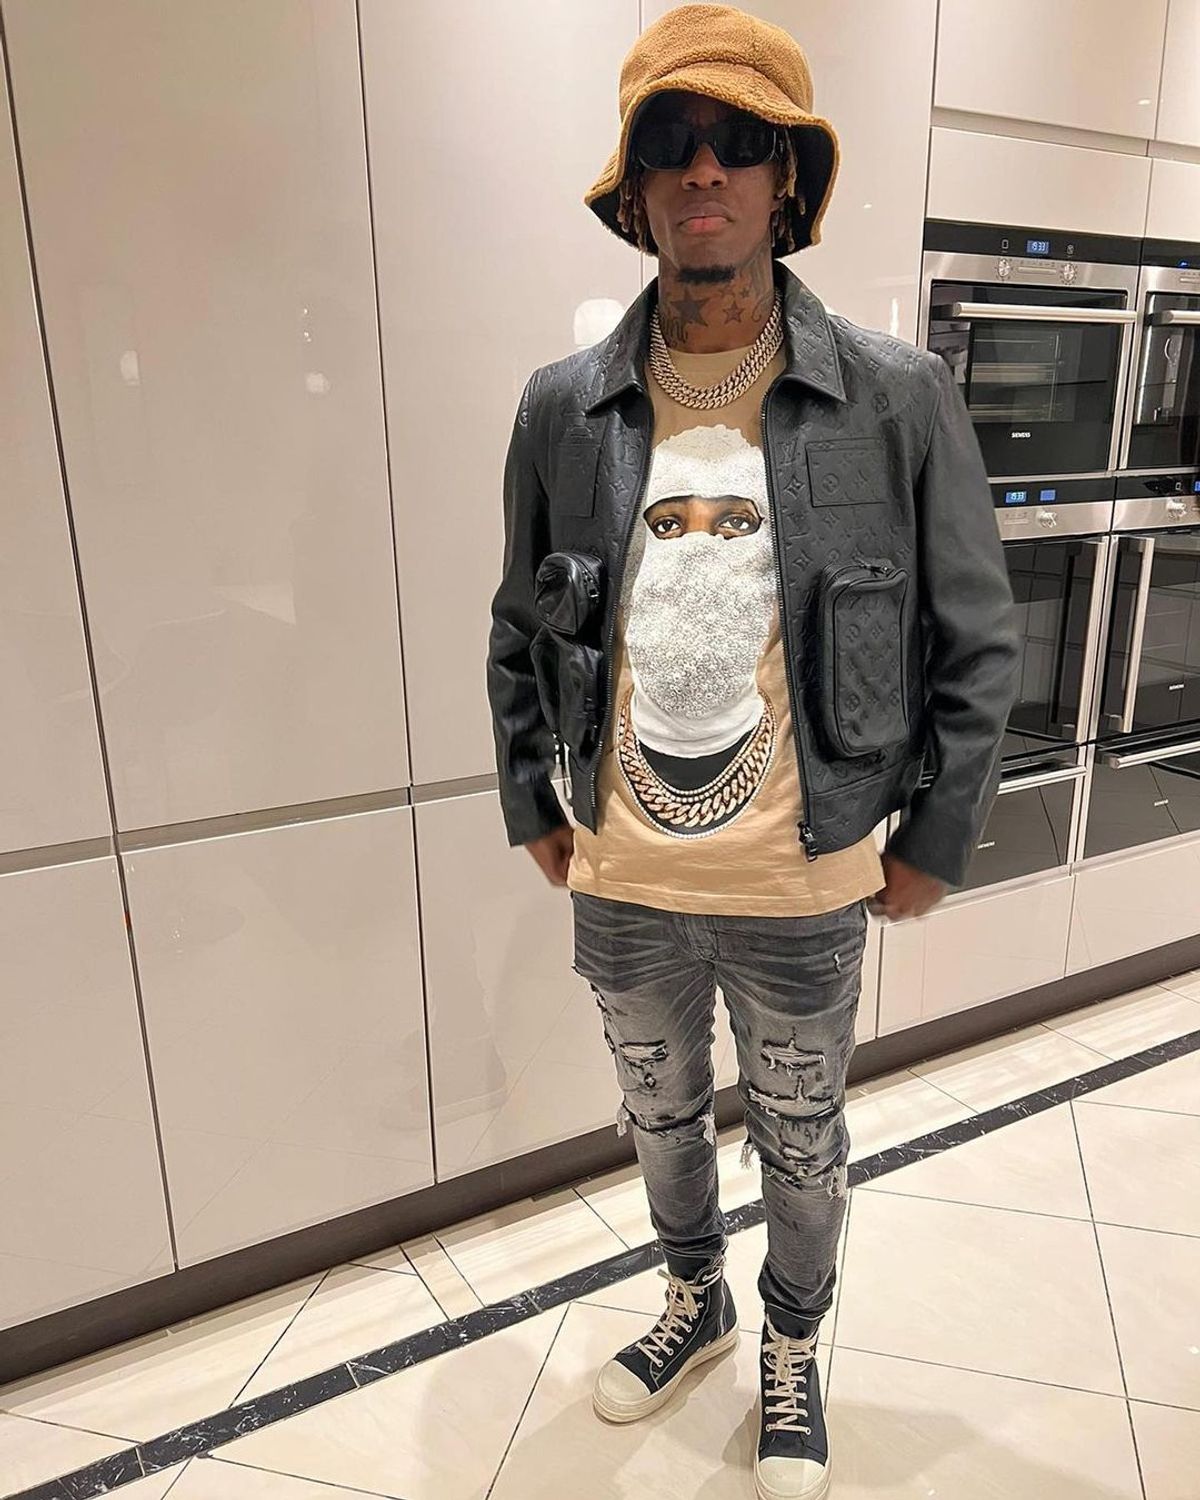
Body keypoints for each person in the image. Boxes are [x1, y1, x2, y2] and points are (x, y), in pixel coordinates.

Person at [485, 6, 1020, 1496]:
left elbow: (978, 635)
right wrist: (530, 792)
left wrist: (935, 837)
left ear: (789, 179)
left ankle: (792, 1337)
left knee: (801, 1131)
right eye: (671, 141)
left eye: (739, 141)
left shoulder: (894, 396)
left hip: (805, 873)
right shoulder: (563, 409)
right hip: (624, 873)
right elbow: (519, 617)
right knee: (657, 1119)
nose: (703, 169)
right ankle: (696, 1300)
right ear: (637, 186)